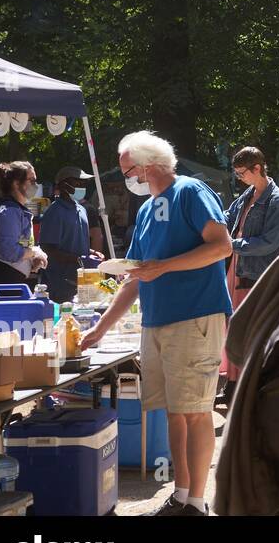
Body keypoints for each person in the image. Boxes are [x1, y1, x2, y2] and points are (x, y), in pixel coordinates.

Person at [81, 131, 233, 517]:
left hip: (195, 316)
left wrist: (163, 267)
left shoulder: (190, 191)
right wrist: (100, 328)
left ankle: (197, 503)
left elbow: (221, 246)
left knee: (196, 410)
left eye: (127, 169)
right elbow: (134, 276)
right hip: (157, 323)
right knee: (173, 411)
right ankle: (181, 496)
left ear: (147, 165)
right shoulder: (148, 210)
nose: (126, 177)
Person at [216, 146, 279, 407]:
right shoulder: (248, 194)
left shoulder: (277, 200)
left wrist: (232, 245)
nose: (239, 178)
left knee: (248, 332)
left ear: (257, 168)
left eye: (242, 173)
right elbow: (228, 217)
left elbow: (270, 243)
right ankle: (234, 386)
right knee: (235, 329)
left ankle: (248, 388)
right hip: (237, 271)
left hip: (255, 275)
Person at [0, 162, 48, 306]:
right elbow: (10, 253)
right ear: (16, 184)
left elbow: (19, 248)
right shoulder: (9, 211)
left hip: (5, 279)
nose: (35, 185)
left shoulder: (19, 210)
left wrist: (32, 261)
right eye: (31, 180)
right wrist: (34, 252)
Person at [38, 165, 103, 304]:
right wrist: (78, 259)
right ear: (63, 185)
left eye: (84, 183)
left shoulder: (81, 209)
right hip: (59, 283)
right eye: (77, 182)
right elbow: (47, 249)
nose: (82, 186)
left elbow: (75, 243)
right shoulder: (54, 212)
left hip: (81, 282)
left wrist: (91, 253)